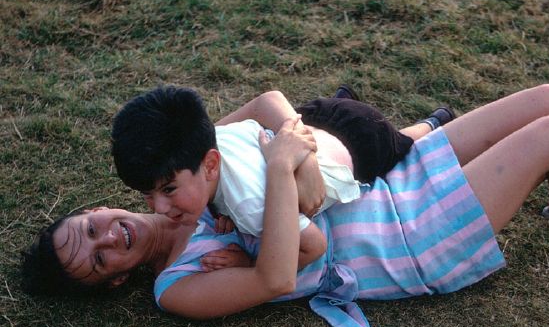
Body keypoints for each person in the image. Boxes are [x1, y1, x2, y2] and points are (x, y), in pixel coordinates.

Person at [22, 85, 549, 327]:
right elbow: (277, 274)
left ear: (97, 207)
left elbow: (242, 123)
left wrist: (295, 148)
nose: (112, 237)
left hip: (378, 184)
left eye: (92, 227)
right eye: (100, 259)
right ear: (115, 284)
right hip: (405, 239)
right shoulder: (177, 287)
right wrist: (276, 179)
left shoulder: (180, 181)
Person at [111, 86, 455, 267]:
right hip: (314, 117)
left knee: (404, 144)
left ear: (211, 164)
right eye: (148, 194)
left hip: (364, 142)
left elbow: (313, 246)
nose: (158, 207)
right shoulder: (209, 139)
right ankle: (344, 100)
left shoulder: (250, 205)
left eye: (169, 189)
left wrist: (250, 263)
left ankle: (432, 124)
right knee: (333, 115)